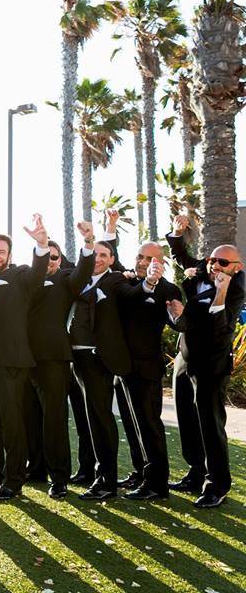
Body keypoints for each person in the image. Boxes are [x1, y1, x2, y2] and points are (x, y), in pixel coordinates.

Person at [167, 215, 246, 508]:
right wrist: (177, 233)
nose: (215, 265)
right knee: (187, 419)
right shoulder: (204, 268)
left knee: (210, 424)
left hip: (212, 364)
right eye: (213, 260)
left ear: (236, 268)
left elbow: (220, 328)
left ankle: (217, 485)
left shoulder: (236, 289)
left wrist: (222, 291)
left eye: (223, 263)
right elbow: (181, 256)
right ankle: (195, 472)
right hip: (185, 357)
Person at [104, 213, 184, 500]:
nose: (142, 262)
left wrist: (178, 316)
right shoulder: (128, 279)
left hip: (147, 369)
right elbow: (110, 258)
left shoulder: (168, 289)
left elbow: (179, 323)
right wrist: (110, 229)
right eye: (139, 256)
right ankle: (141, 472)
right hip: (122, 369)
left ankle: (157, 484)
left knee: (149, 425)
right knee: (131, 423)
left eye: (148, 258)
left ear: (160, 263)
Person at [0, 216, 50, 501]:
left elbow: (39, 274)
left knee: (12, 424)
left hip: (10, 363)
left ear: (9, 255)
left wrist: (41, 244)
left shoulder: (20, 275)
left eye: (0, 252)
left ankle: (14, 480)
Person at [68, 241, 147, 500]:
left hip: (98, 359)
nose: (98, 259)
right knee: (90, 418)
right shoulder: (79, 278)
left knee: (101, 417)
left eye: (104, 255)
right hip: (76, 356)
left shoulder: (115, 280)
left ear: (112, 259)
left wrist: (147, 283)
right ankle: (95, 475)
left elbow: (132, 294)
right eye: (95, 254)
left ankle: (107, 482)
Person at [25, 223, 96, 499]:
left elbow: (83, 273)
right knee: (30, 417)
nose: (50, 261)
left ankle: (59, 478)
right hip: (23, 358)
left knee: (55, 418)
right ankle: (36, 468)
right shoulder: (27, 279)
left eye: (54, 257)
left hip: (54, 358)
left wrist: (88, 242)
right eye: (45, 256)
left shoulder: (66, 280)